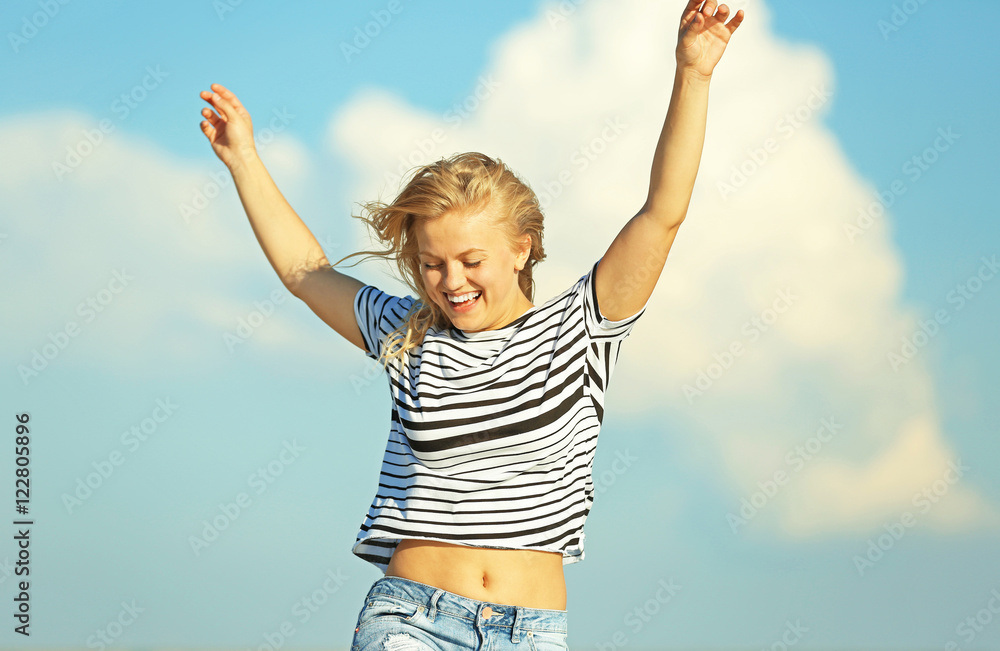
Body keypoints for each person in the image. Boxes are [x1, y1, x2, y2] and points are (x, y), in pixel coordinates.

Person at [198, 2, 743, 648]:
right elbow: (304, 272)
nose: (451, 282)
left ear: (523, 247)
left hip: (533, 631)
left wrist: (694, 73)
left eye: (470, 260)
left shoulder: (582, 332)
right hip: (411, 620)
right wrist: (244, 161)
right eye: (432, 264)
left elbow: (662, 213)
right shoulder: (408, 336)